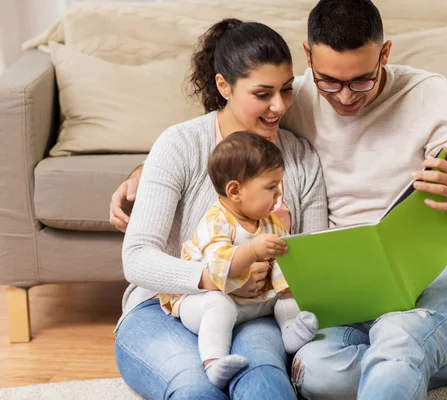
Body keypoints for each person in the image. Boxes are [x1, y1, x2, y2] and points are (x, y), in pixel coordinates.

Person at [110, 5, 447, 400]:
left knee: (383, 343)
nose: (345, 97)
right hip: (215, 297)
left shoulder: (420, 100)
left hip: (435, 266)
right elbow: (222, 132)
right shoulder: (293, 100)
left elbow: (305, 246)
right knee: (309, 372)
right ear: (309, 57)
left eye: (362, 81)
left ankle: (431, 351)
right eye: (329, 82)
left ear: (385, 54)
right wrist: (145, 173)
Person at [113, 19, 328, 399]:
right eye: (263, 94)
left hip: (256, 311)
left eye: (287, 90)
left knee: (264, 383)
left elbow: (311, 261)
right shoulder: (180, 146)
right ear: (223, 86)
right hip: (164, 308)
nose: (279, 106)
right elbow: (137, 257)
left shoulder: (301, 159)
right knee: (197, 389)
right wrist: (216, 278)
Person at [159, 131, 318, 389]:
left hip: (252, 302)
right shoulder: (216, 220)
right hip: (201, 301)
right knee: (219, 306)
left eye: (278, 185)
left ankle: (290, 330)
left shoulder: (269, 221)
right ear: (235, 190)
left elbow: (285, 263)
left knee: (288, 291)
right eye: (270, 187)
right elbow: (218, 266)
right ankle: (213, 362)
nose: (279, 194)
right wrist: (254, 250)